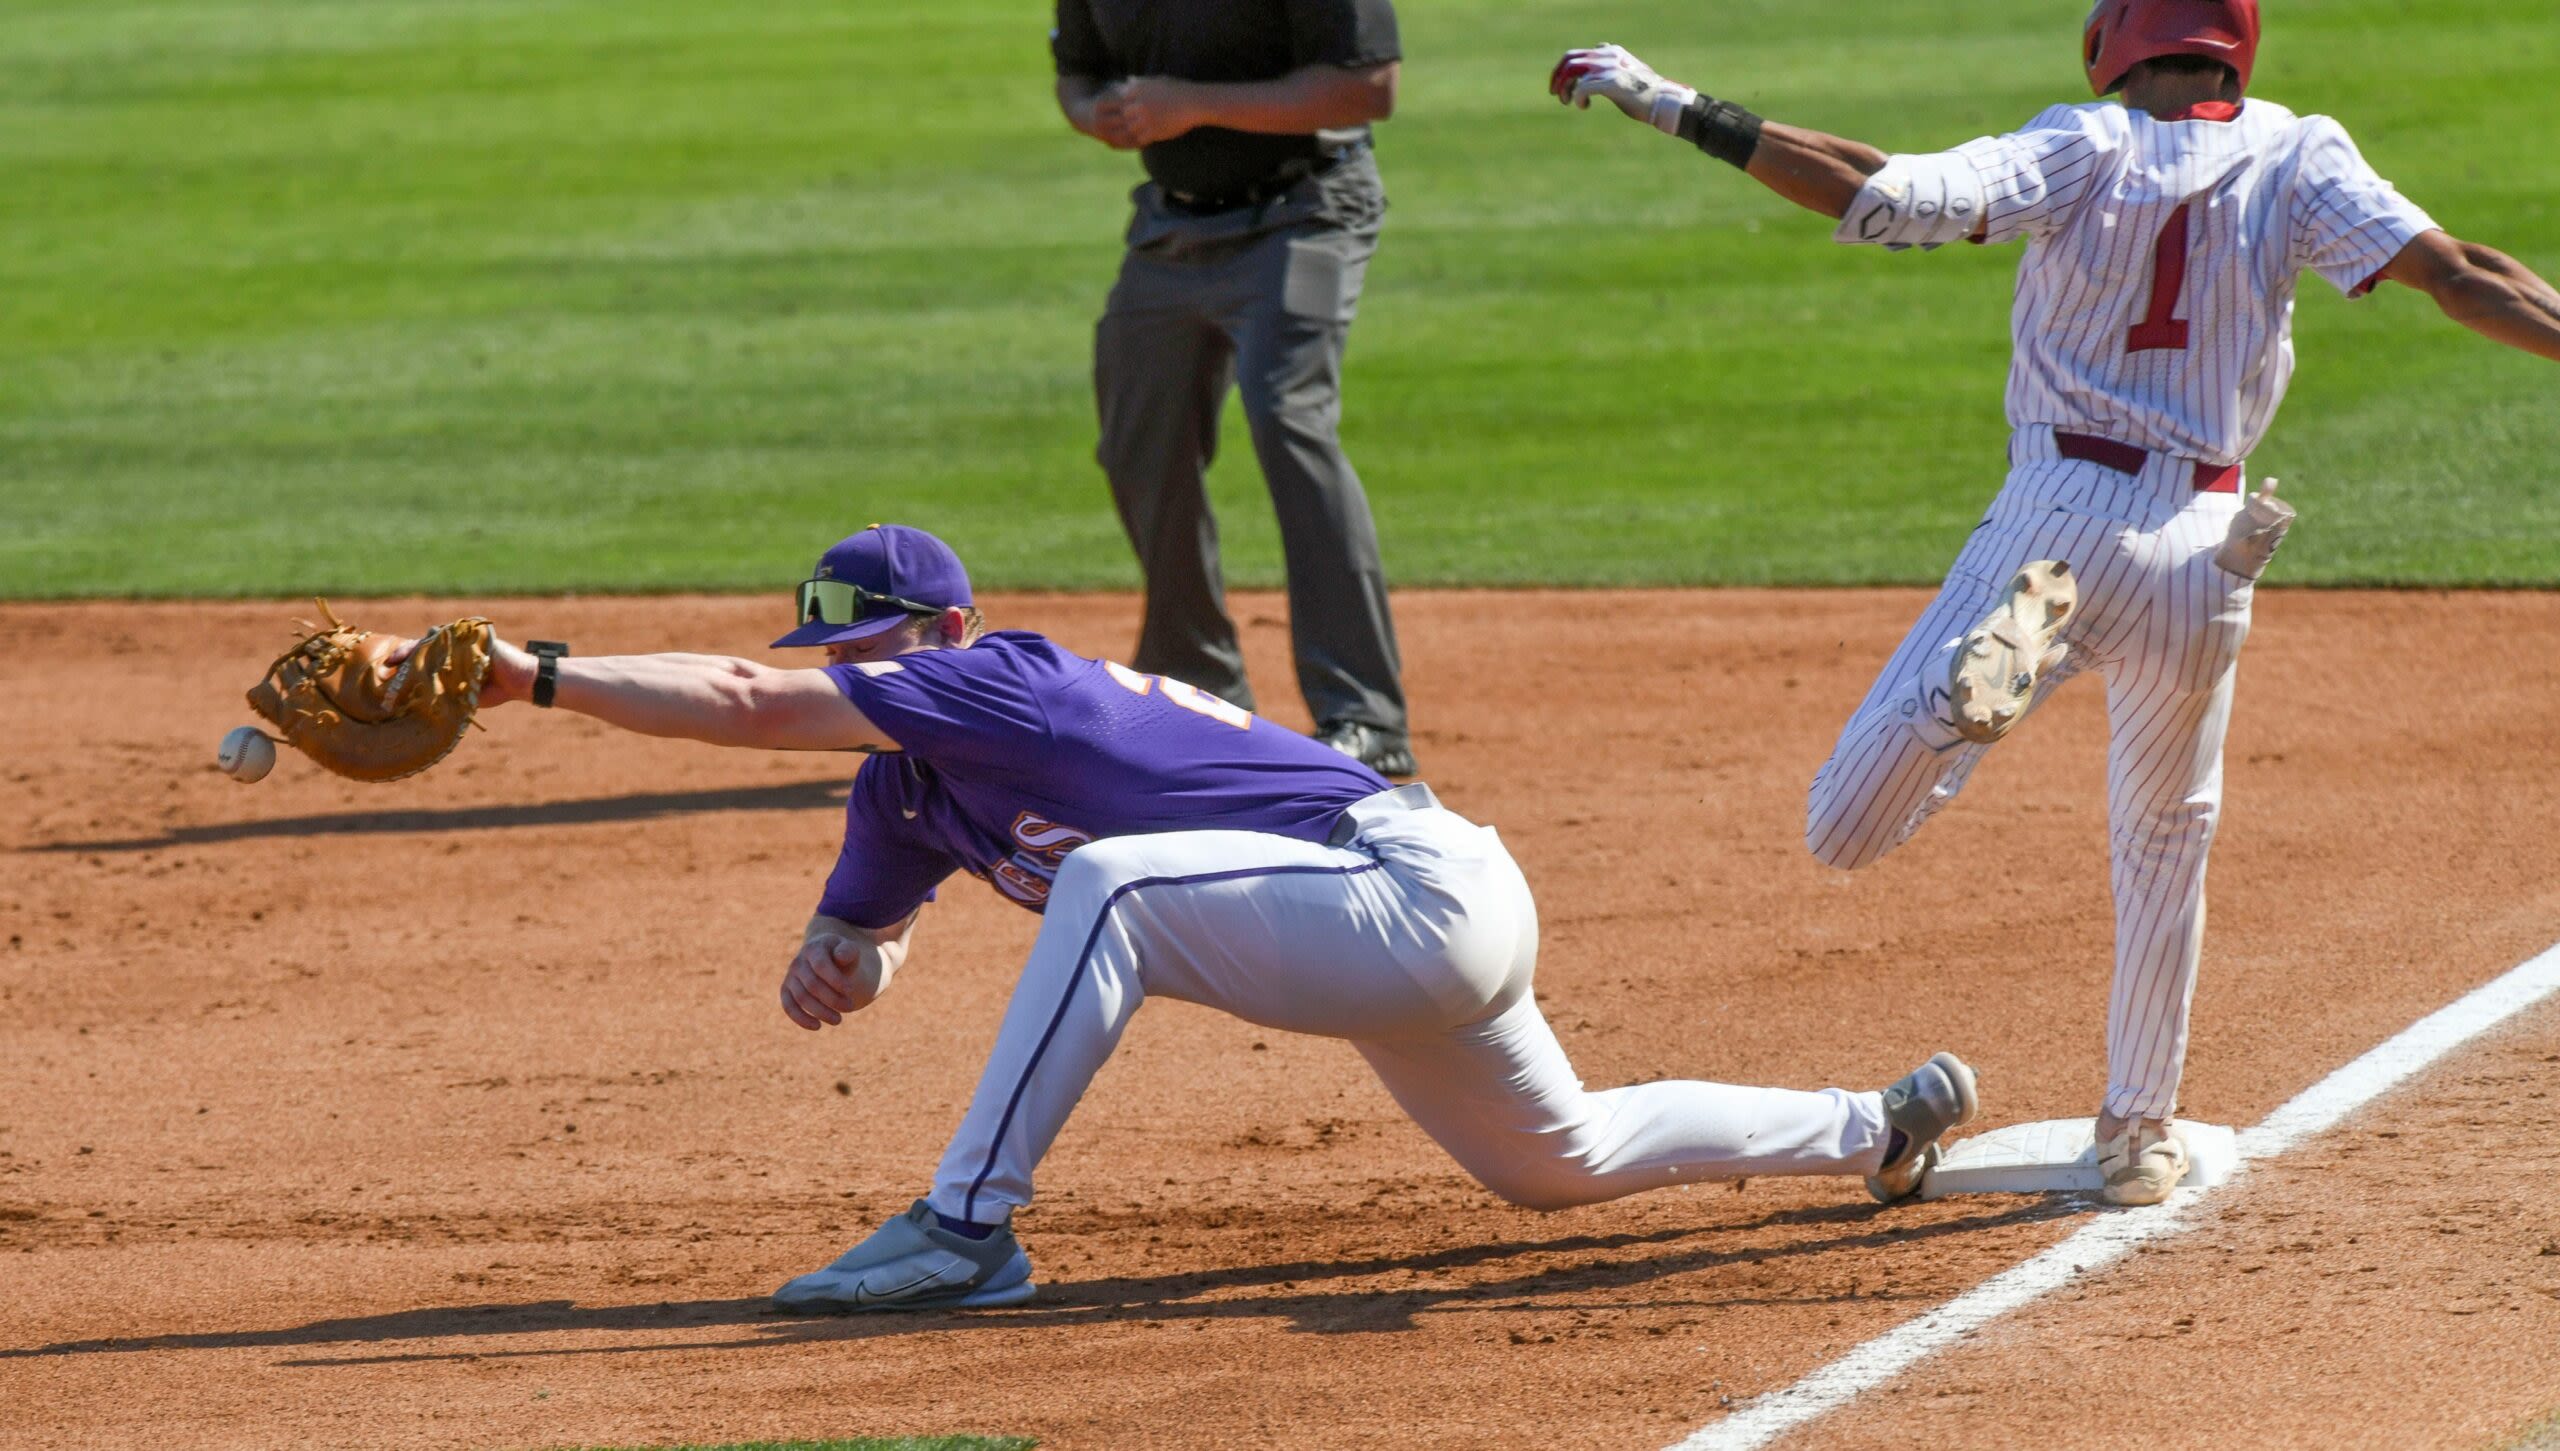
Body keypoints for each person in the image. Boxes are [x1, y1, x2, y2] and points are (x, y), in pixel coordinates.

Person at [1551, 0, 2560, 1205]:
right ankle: (2138, 1132)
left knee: (1843, 828)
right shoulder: (2303, 152)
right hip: (2211, 546)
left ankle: (1956, 708)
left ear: (2113, 41)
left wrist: (1679, 106)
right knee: (2166, 838)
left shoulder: (2085, 143)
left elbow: (1885, 190)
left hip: (2058, 528)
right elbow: (2460, 275)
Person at [439, 523, 1978, 1311]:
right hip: (1389, 930)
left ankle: (968, 1228)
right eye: (851, 659)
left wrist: (534, 672)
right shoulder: (904, 779)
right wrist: (841, 954)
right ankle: (1873, 1123)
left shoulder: (997, 674)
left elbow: (740, 697)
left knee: (1117, 885)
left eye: (884, 648)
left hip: (1421, 879)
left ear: (948, 632)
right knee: (1551, 1159)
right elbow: (871, 920)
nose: (871, 677)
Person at [1052, 0, 1418, 778]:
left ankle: (1363, 714)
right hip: (1168, 230)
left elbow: (1368, 87)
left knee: (1289, 417)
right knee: (1136, 441)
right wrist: (1100, 114)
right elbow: (1077, 74)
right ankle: (1198, 690)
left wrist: (1194, 104)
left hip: (1309, 210)